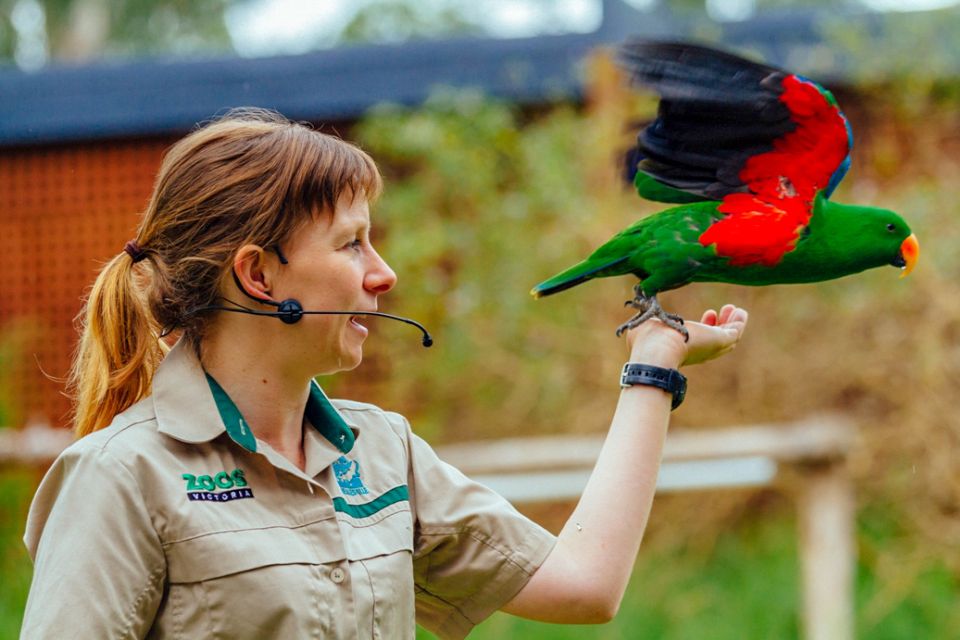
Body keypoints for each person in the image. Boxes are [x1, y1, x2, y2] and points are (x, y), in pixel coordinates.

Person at [20, 108, 747, 639]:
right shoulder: (120, 478)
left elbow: (585, 586)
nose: (384, 274)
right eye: (352, 244)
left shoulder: (382, 451)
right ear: (259, 274)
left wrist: (651, 367)